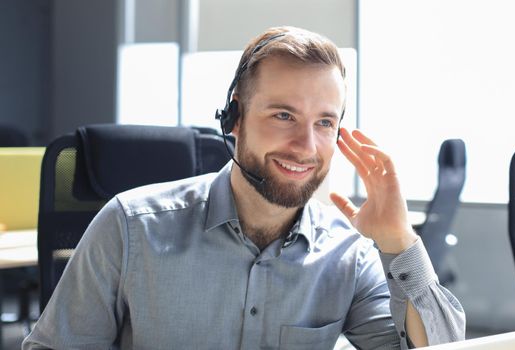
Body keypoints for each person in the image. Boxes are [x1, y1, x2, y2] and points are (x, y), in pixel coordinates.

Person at [23, 26, 465, 350]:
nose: (306, 146)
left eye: (325, 122)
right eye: (283, 116)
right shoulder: (130, 228)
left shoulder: (347, 254)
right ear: (233, 119)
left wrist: (399, 242)